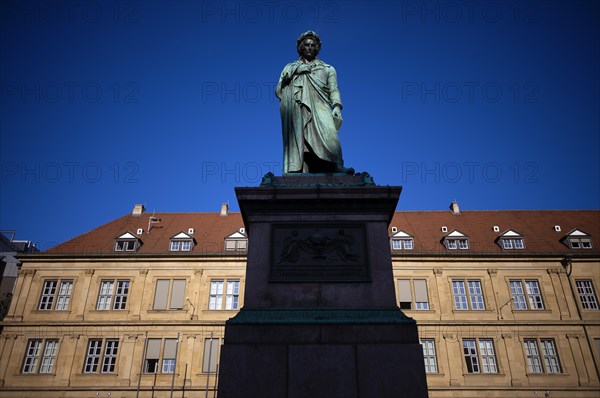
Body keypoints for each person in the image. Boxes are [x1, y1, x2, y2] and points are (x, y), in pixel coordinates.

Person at [276, 31, 354, 174]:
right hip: (298, 107)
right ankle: (298, 168)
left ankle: (335, 165)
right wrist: (296, 71)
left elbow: (334, 90)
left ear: (317, 48)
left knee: (330, 135)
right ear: (301, 47)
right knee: (301, 138)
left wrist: (337, 106)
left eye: (313, 45)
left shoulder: (328, 69)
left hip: (321, 104)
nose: (310, 47)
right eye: (306, 45)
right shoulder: (290, 67)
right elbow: (279, 90)